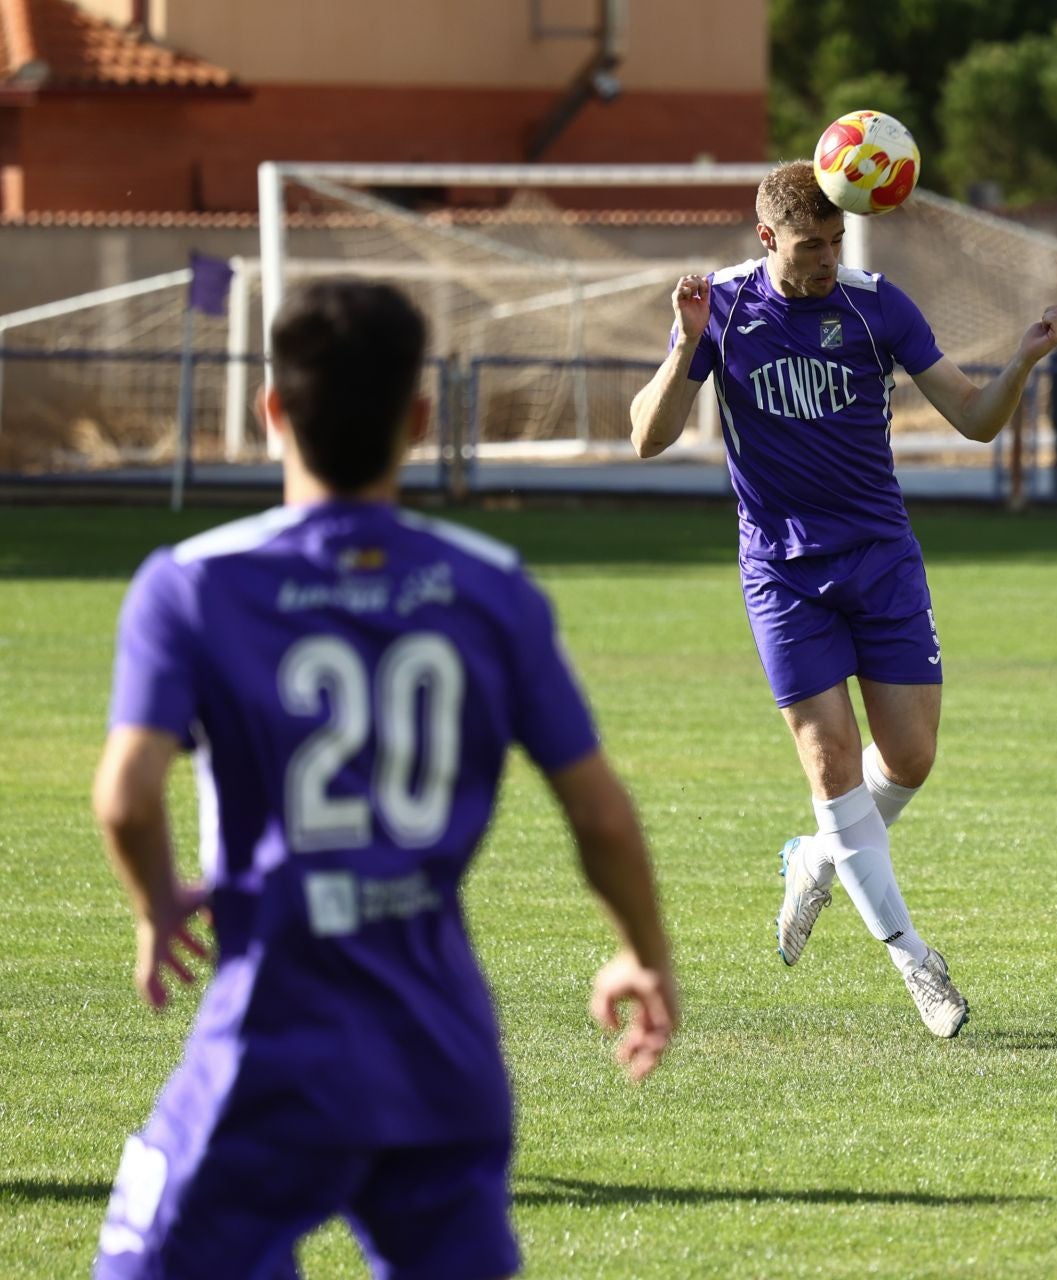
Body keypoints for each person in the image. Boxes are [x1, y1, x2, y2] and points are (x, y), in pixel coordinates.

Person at [92, 280, 677, 1278]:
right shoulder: (491, 585)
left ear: (273, 410)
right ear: (418, 419)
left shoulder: (192, 584)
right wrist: (643, 954)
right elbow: (602, 815)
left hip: (272, 1038)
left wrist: (158, 903)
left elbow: (127, 796)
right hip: (440, 1048)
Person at [629, 160, 1057, 1038]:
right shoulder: (720, 307)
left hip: (881, 561)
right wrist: (684, 345)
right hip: (782, 573)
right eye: (810, 246)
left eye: (836, 241)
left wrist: (1022, 361)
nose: (828, 259)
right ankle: (917, 964)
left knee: (909, 758)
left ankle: (817, 858)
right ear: (767, 239)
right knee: (832, 765)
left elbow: (976, 418)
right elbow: (647, 437)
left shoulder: (877, 307)